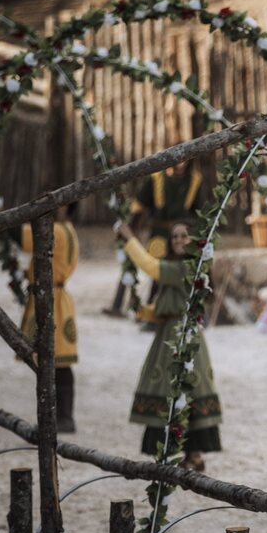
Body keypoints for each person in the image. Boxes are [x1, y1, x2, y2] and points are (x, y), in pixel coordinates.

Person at [118, 221, 222, 471]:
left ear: (192, 240)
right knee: (164, 388)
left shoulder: (189, 267)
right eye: (174, 236)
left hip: (186, 336)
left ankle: (194, 453)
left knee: (191, 388)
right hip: (167, 335)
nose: (178, 240)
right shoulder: (175, 269)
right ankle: (169, 451)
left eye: (183, 236)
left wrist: (129, 237)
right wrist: (141, 310)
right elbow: (164, 309)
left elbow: (149, 266)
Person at [107, 161, 206, 318]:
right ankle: (124, 305)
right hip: (159, 233)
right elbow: (140, 204)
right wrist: (131, 229)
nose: (181, 164)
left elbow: (200, 212)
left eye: (184, 160)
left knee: (167, 273)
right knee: (150, 265)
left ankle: (156, 309)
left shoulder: (194, 180)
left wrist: (197, 237)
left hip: (181, 231)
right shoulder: (156, 178)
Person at [17, 203, 80, 433]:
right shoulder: (66, 229)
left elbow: (22, 237)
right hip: (54, 295)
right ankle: (59, 416)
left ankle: (65, 417)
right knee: (56, 363)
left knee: (60, 361)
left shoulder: (59, 230)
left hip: (53, 297)